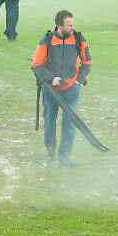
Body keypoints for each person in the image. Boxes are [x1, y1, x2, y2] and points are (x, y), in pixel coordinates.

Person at [31, 10, 92, 168]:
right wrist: (51, 79)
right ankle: (51, 156)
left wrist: (78, 81)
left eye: (72, 24)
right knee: (50, 122)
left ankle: (64, 156)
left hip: (72, 88)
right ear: (59, 25)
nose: (72, 27)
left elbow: (87, 62)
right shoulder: (47, 40)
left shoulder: (79, 39)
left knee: (69, 123)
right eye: (68, 25)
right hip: (51, 90)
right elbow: (36, 65)